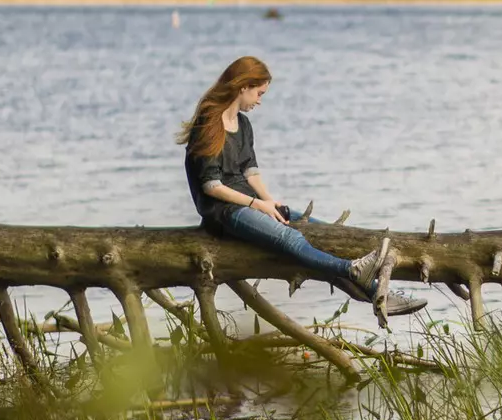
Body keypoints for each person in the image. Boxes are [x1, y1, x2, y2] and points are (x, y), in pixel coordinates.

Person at [179, 55, 424, 316]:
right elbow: (211, 186)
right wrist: (256, 204)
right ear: (243, 87)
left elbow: (251, 173)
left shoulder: (244, 124)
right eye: (259, 93)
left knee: (321, 230)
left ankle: (379, 293)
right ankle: (351, 270)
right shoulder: (208, 124)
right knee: (290, 237)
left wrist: (270, 202)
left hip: (250, 202)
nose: (260, 100)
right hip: (225, 213)